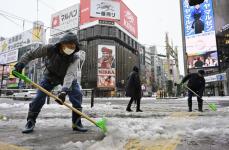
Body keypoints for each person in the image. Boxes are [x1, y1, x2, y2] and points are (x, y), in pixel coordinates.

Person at [13, 32, 88, 133]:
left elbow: (70, 75)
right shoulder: (50, 49)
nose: (71, 49)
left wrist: (64, 91)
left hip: (67, 78)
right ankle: (30, 121)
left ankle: (77, 122)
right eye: (69, 46)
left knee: (77, 95)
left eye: (73, 47)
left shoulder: (75, 57)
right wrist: (21, 63)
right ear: (62, 44)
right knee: (39, 97)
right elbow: (31, 54)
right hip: (50, 76)